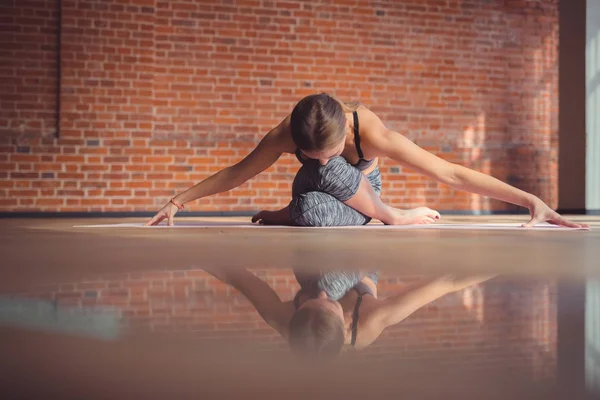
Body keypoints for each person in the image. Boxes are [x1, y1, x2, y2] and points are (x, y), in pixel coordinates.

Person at [146, 93, 587, 229]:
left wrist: (531, 200)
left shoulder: (371, 132)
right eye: (307, 154)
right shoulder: (284, 134)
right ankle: (288, 214)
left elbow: (448, 171)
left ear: (346, 136)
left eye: (331, 152)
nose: (319, 160)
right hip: (317, 200)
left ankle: (395, 216)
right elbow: (237, 172)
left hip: (367, 199)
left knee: (327, 177)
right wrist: (177, 201)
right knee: (310, 209)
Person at [203, 266, 496, 357]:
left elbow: (236, 276)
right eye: (328, 303)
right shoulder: (369, 321)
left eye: (309, 301)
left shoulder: (281, 318)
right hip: (360, 264)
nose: (322, 293)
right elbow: (447, 282)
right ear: (344, 325)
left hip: (313, 257)